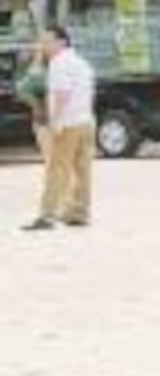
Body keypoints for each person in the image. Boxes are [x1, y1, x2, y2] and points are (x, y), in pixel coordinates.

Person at [24, 27, 94, 231]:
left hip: (68, 123)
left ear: (62, 42)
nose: (44, 46)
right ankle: (79, 212)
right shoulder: (82, 63)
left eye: (48, 41)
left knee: (56, 169)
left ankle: (48, 215)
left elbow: (62, 95)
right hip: (86, 121)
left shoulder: (59, 63)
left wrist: (55, 122)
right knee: (83, 171)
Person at [12, 50, 48, 227]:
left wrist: (37, 106)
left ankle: (50, 205)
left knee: (51, 162)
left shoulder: (32, 76)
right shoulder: (40, 74)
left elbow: (21, 91)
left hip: (43, 123)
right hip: (46, 122)